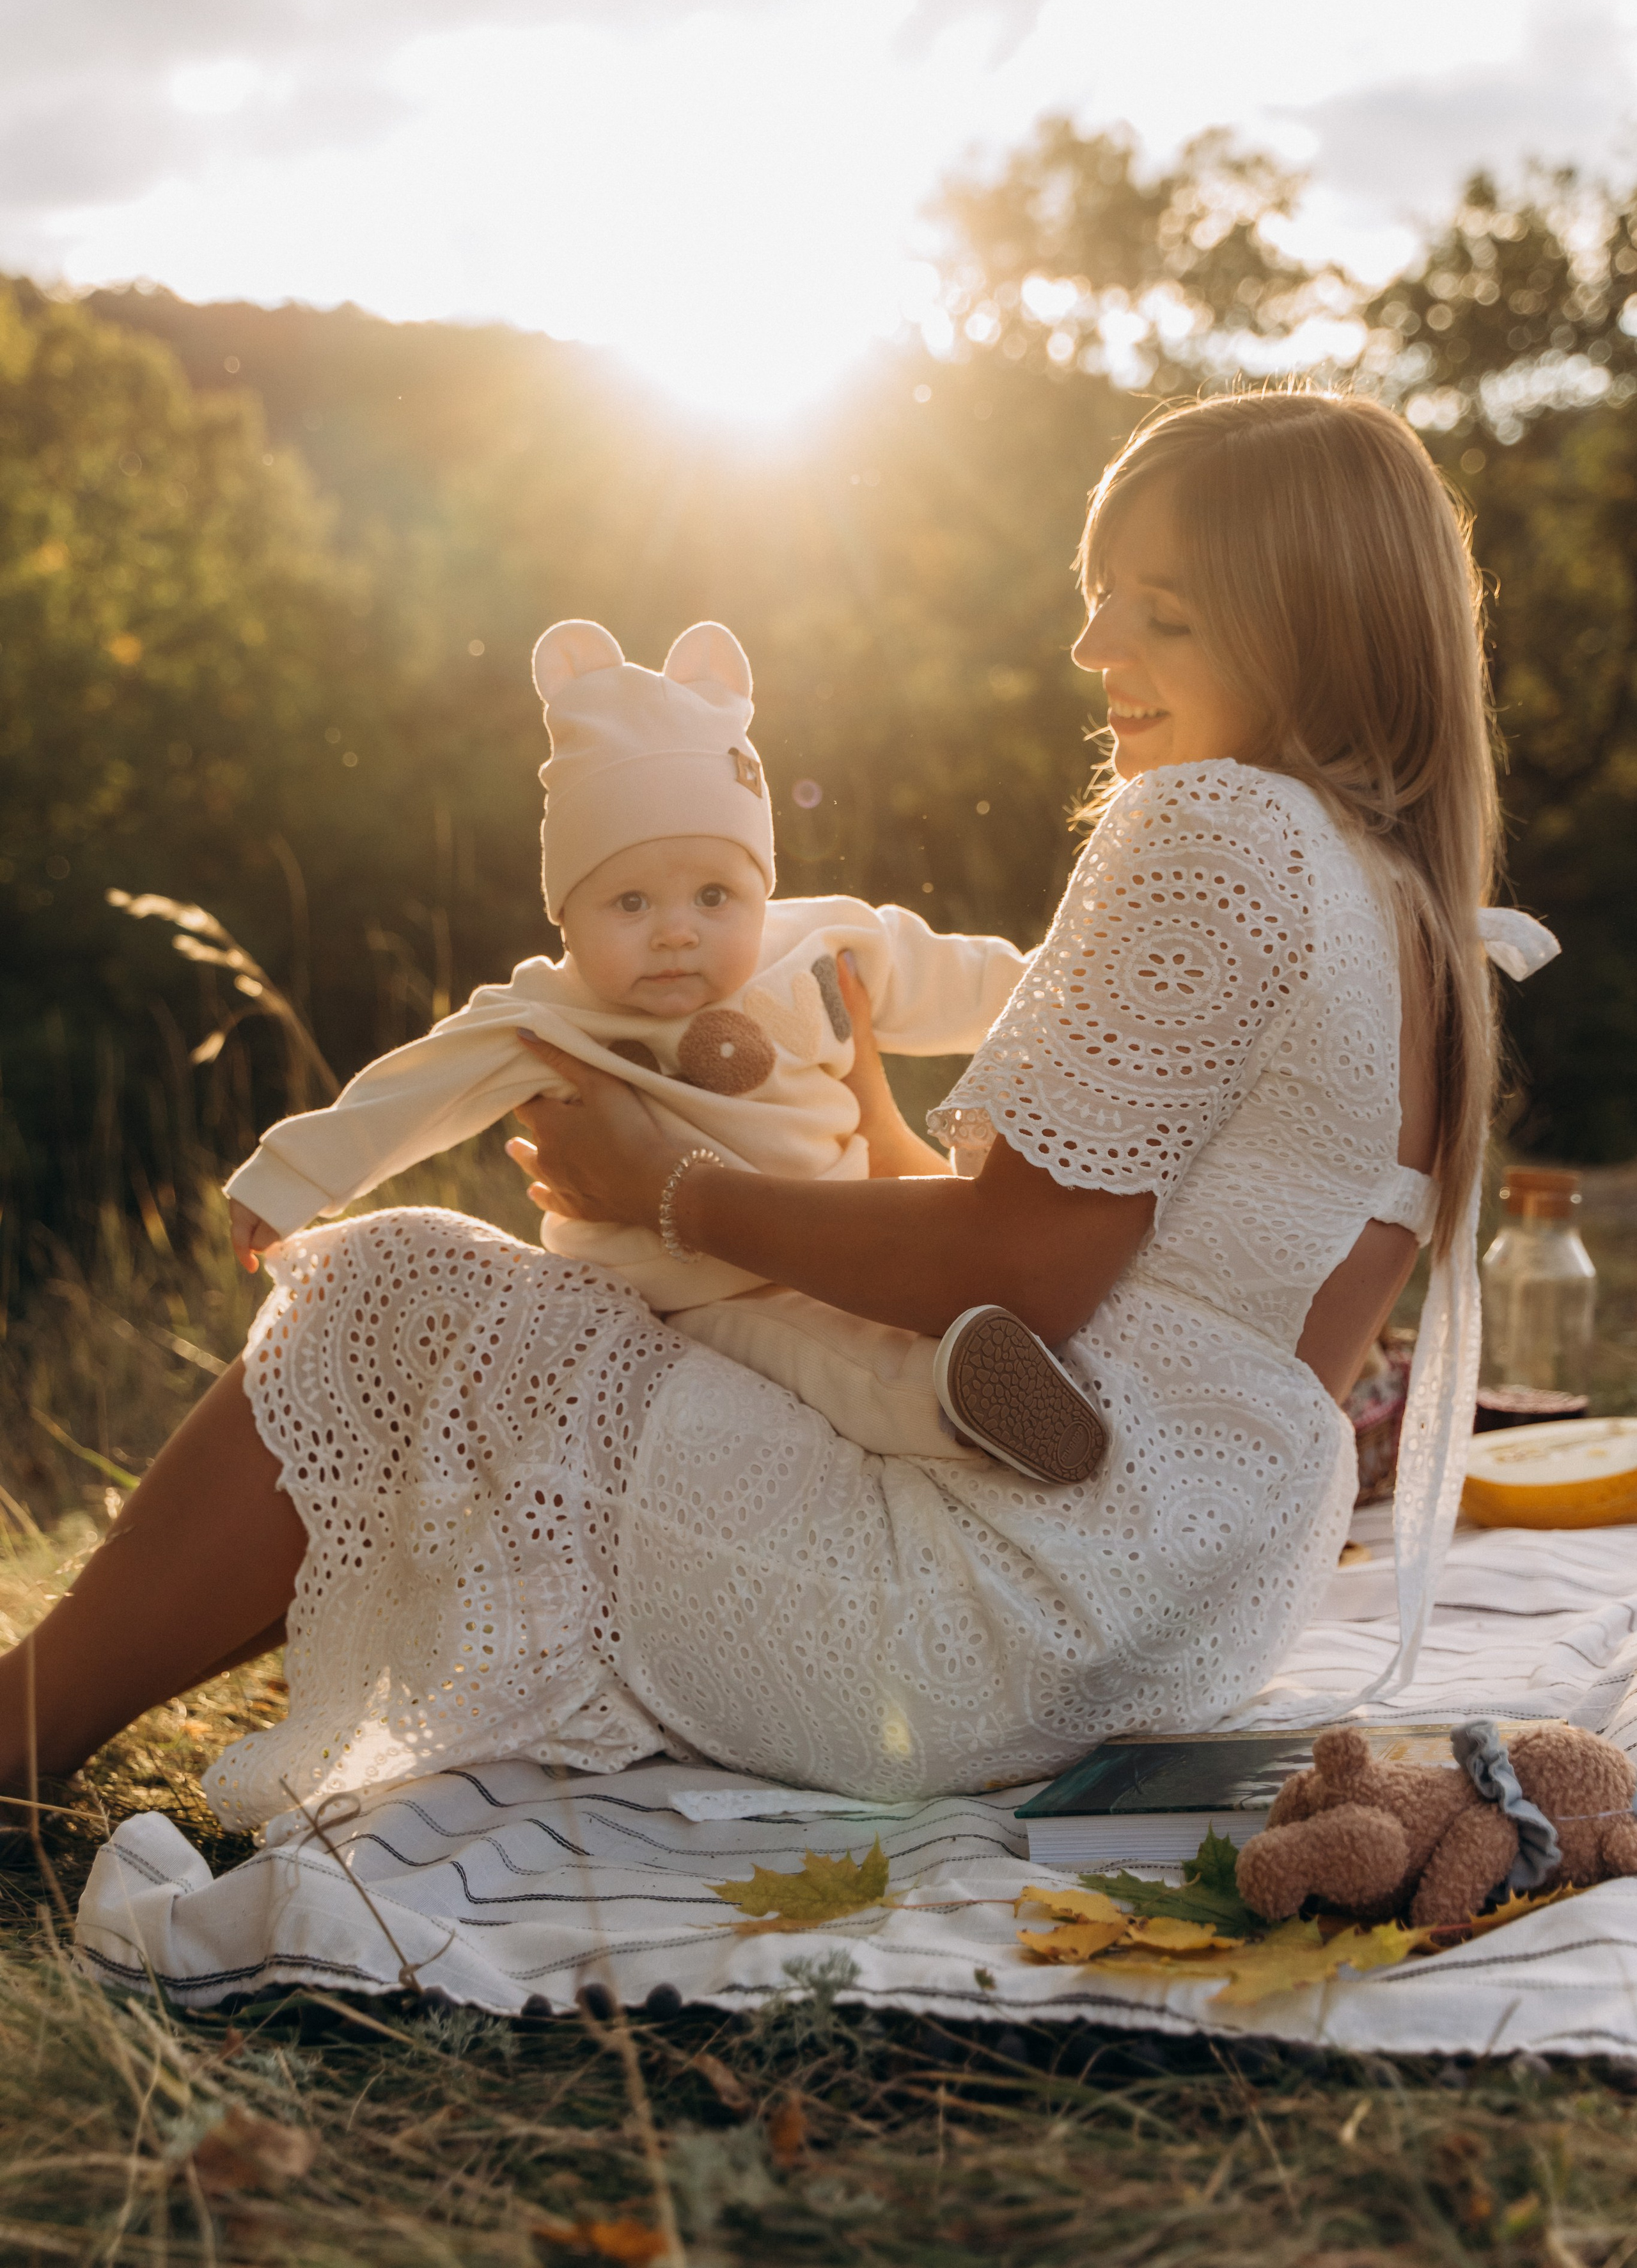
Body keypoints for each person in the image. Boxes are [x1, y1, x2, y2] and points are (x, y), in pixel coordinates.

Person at [0, 389, 1555, 1834]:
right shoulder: (1414, 911)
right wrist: (874, 1129)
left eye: (1159, 611)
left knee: (391, 1291)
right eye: (1096, 593)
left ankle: (16, 1737)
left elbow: (1022, 1275)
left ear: (1309, 631)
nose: (1092, 648)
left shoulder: (1215, 826)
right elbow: (1211, 1334)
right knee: (615, 1344)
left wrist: (669, 1190)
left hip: (990, 1614)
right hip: (1185, 1619)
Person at [223, 613, 1098, 1481]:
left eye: (715, 897)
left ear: (763, 889)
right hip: (686, 1293)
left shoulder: (822, 944)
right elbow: (415, 1090)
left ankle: (992, 1353)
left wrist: (1085, 987)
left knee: (887, 1298)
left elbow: (970, 979)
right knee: (829, 1360)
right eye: (631, 904)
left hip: (841, 1235)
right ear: (565, 910)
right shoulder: (553, 1013)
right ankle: (963, 1407)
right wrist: (292, 1178)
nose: (676, 933)